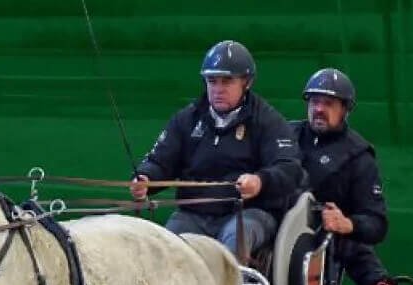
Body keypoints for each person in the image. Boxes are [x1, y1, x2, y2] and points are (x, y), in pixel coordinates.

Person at [130, 40, 304, 259]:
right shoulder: (187, 118)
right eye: (212, 81)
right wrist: (146, 178)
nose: (218, 89)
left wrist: (260, 181)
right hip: (193, 213)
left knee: (234, 242)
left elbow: (290, 168)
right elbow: (160, 160)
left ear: (247, 82)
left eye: (227, 81)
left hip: (249, 213)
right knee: (166, 251)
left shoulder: (268, 121)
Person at [291, 67, 396, 285]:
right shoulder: (285, 136)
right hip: (270, 244)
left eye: (328, 103)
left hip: (321, 256)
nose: (318, 109)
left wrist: (345, 223)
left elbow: (376, 223)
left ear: (345, 109)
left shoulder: (358, 157)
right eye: (314, 101)